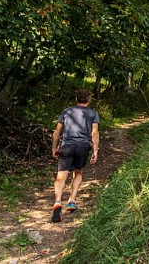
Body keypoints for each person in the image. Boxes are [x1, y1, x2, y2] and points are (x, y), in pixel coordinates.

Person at [51, 88, 100, 223]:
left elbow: (56, 132)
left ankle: (57, 201)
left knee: (61, 176)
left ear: (76, 99)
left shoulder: (66, 111)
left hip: (66, 146)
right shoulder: (93, 113)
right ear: (89, 100)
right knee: (78, 173)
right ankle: (71, 201)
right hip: (83, 146)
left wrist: (54, 148)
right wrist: (95, 151)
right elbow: (94, 133)